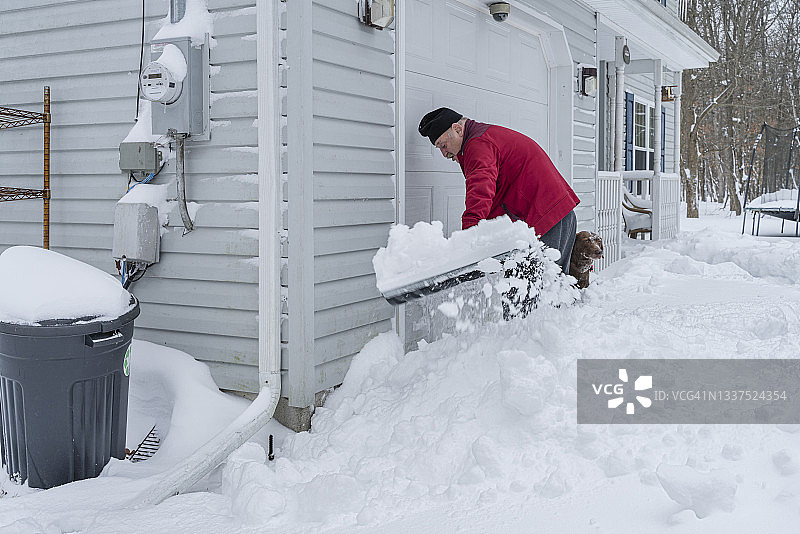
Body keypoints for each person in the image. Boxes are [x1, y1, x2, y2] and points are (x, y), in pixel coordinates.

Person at [418, 107, 580, 274]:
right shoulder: (483, 137)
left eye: (443, 145)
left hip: (546, 220)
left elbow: (480, 193)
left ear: (458, 129)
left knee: (537, 288)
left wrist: (468, 239)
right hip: (556, 214)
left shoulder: (479, 145)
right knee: (553, 285)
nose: (444, 154)